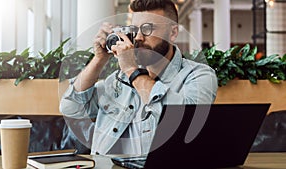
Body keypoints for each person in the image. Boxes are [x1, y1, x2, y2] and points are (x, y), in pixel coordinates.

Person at [60, 0, 218, 155]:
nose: (138, 38)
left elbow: (184, 124)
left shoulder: (199, 76)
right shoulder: (118, 81)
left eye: (148, 28)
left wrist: (132, 71)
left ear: (173, 32)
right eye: (135, 29)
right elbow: (70, 107)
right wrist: (99, 59)